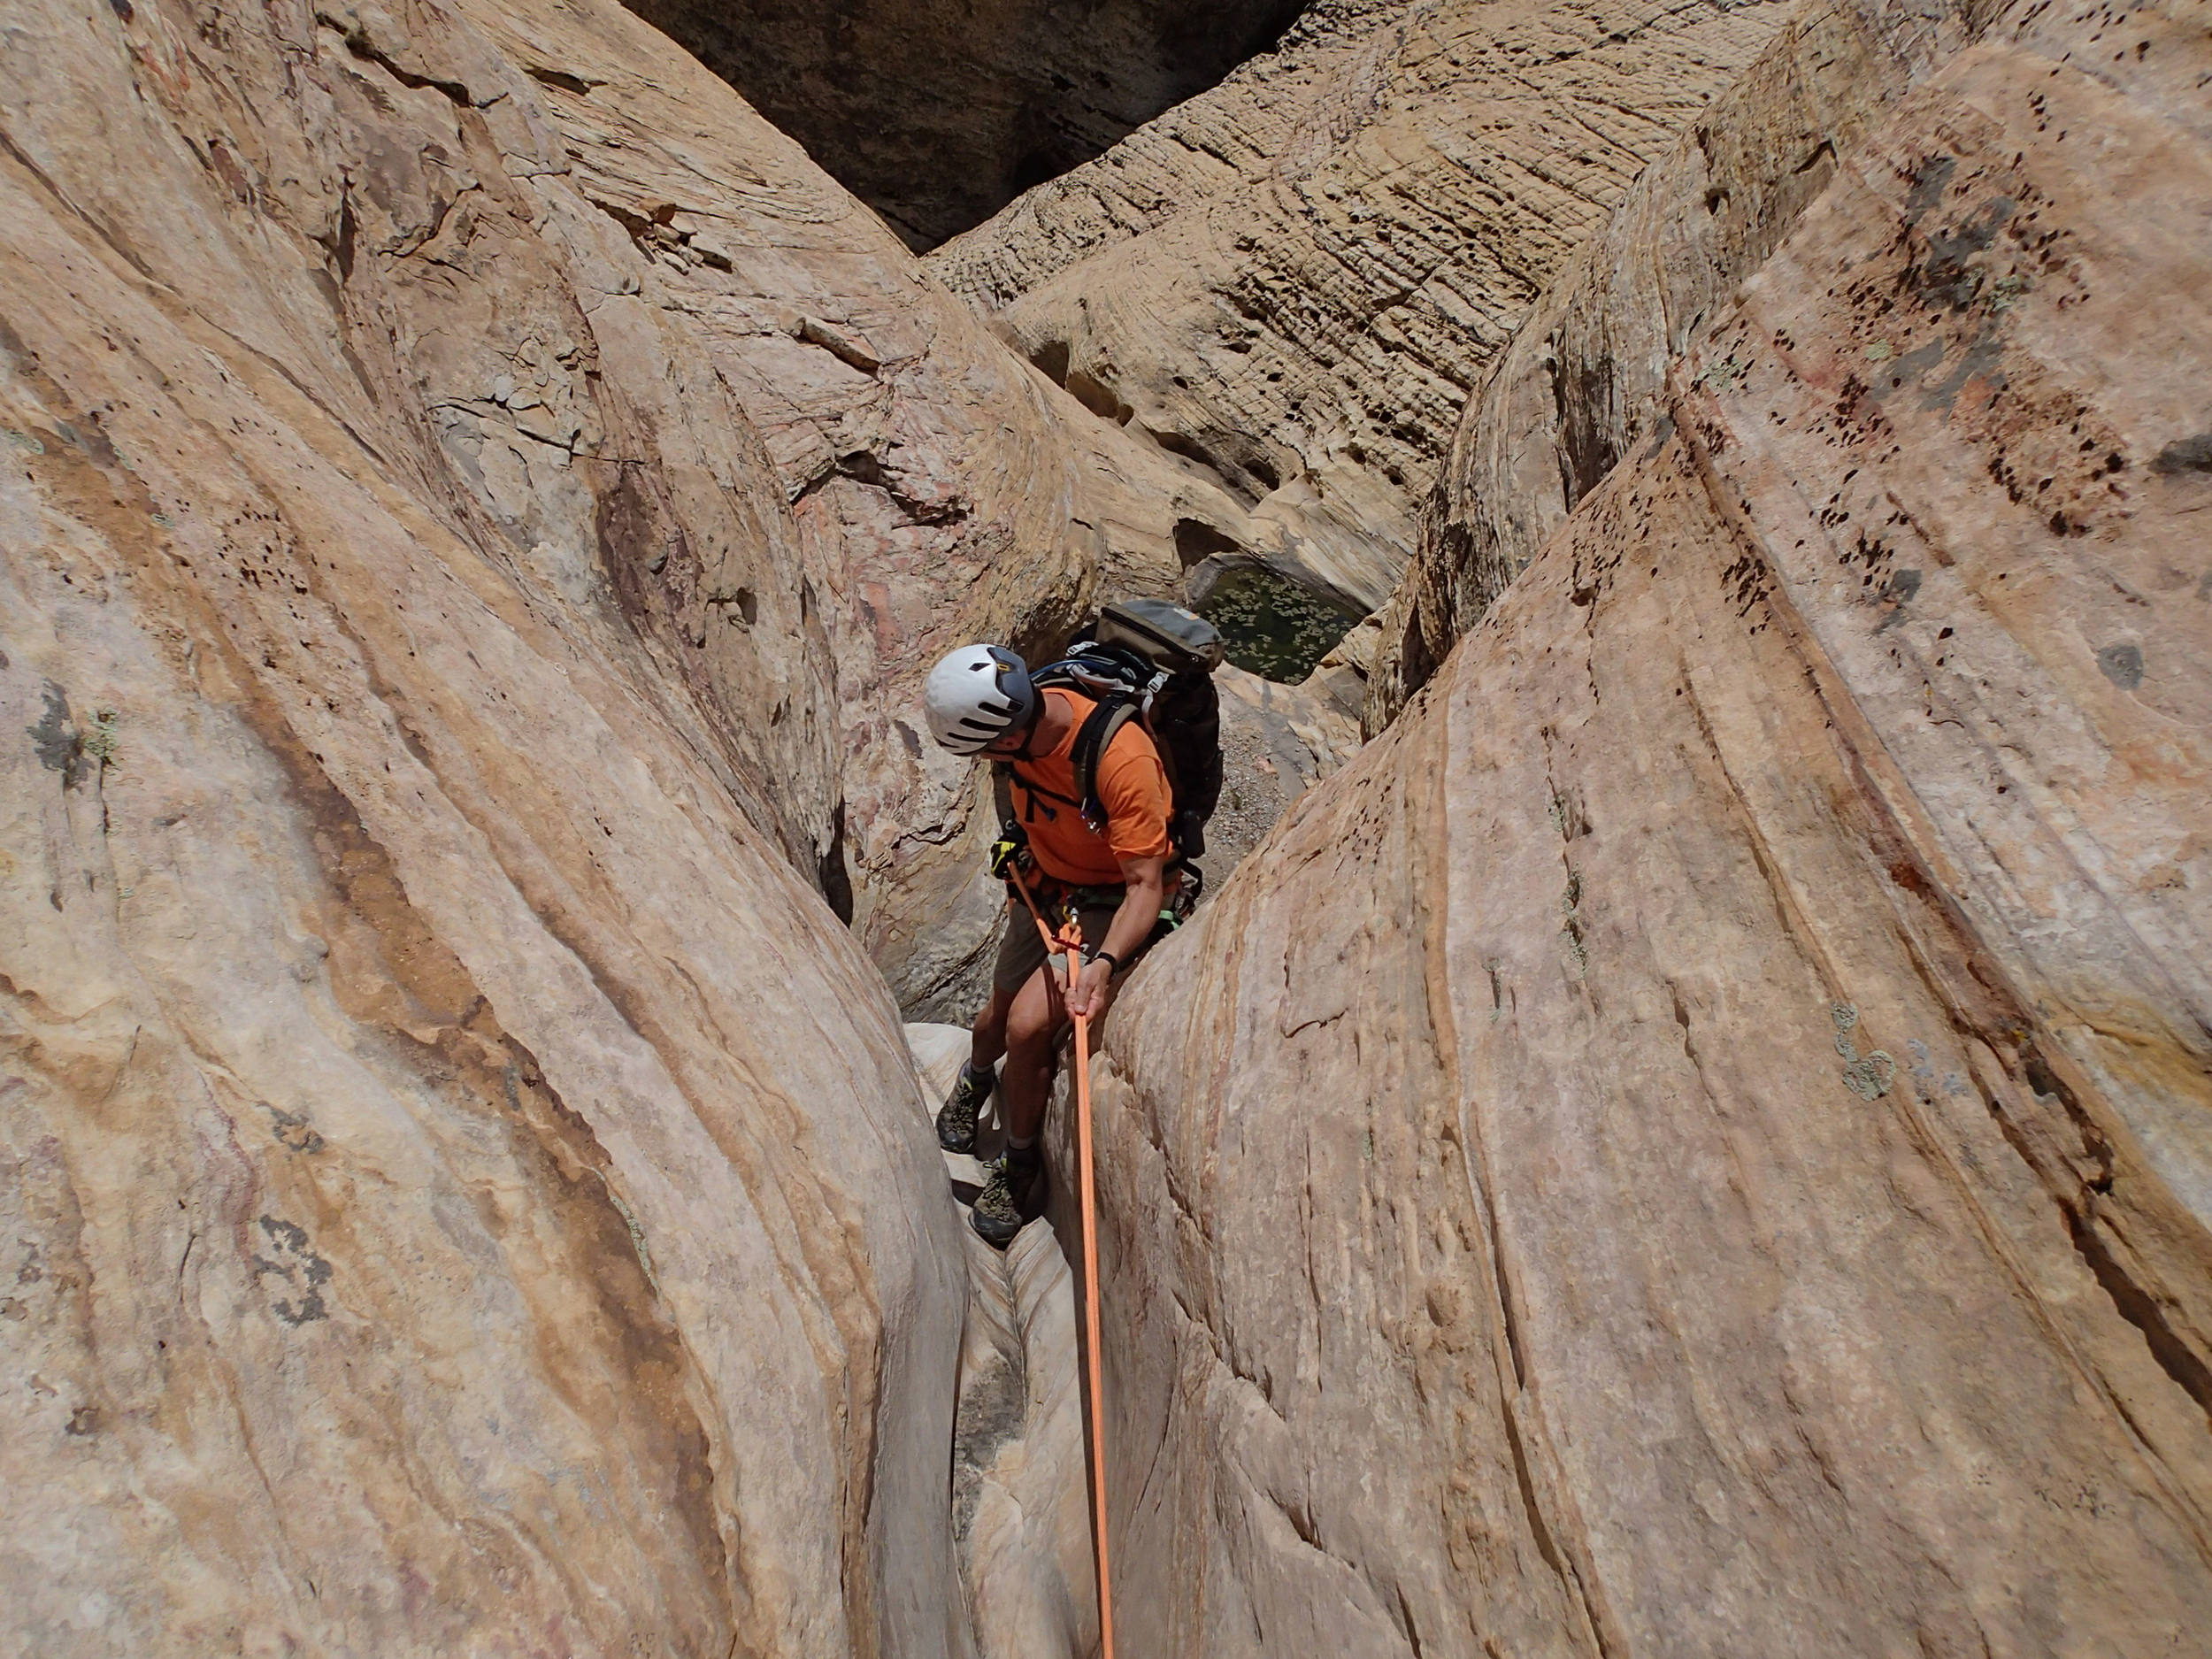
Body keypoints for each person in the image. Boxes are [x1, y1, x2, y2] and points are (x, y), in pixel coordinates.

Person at [922, 642, 1173, 1247]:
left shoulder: (1120, 757)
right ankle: (976, 1078)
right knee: (994, 1017)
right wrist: (1019, 841)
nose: (982, 759)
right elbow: (1019, 789)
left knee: (1028, 1027)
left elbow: (1147, 884)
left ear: (1006, 735)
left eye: (982, 749)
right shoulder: (1019, 725)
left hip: (1107, 898)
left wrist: (1105, 964)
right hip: (1039, 883)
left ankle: (1019, 1160)